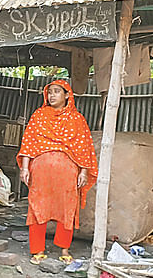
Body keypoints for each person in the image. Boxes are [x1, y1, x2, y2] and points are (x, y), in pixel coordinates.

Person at [17, 80, 98, 265]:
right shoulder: (39, 115)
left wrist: (84, 172)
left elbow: (85, 148)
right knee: (37, 208)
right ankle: (37, 250)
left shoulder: (77, 119)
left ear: (67, 95)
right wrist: (24, 168)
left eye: (56, 92)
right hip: (41, 172)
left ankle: (64, 249)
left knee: (67, 209)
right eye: (50, 92)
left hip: (67, 174)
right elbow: (28, 143)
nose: (52, 96)